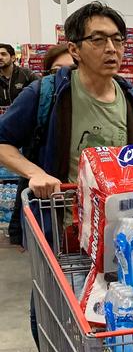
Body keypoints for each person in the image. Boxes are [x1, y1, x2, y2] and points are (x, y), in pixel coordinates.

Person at [0, 1, 133, 352]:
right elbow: (3, 142)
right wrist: (34, 173)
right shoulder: (47, 93)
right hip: (60, 237)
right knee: (61, 334)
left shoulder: (132, 97)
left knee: (112, 333)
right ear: (75, 47)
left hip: (116, 239)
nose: (112, 48)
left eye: (118, 40)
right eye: (99, 40)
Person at [8, 44, 75, 246]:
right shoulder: (39, 95)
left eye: (73, 70)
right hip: (52, 217)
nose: (65, 76)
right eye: (57, 71)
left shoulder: (123, 96)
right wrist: (34, 172)